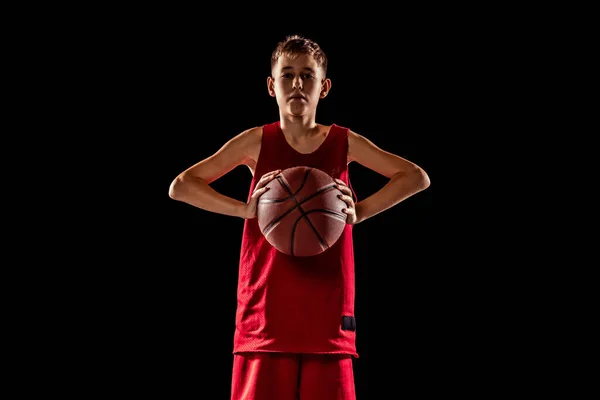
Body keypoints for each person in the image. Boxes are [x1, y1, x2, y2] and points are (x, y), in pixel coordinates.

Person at [168, 34, 430, 400]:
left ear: (323, 87)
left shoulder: (343, 141)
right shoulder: (255, 141)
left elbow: (416, 177)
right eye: (287, 75)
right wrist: (244, 210)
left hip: (327, 313)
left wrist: (360, 211)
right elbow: (181, 185)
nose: (296, 84)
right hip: (265, 313)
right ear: (271, 85)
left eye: (307, 76)